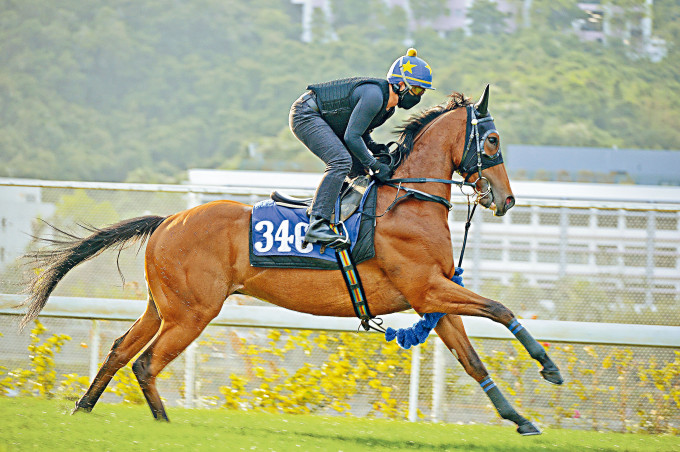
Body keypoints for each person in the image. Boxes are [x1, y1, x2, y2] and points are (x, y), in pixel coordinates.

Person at [289, 48, 434, 247]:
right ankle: (317, 224)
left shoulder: (388, 109)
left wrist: (375, 149)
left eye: (423, 91)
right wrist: (373, 164)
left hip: (331, 121)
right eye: (418, 89)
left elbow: (360, 131)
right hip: (306, 114)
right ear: (401, 85)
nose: (419, 95)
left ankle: (338, 216)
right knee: (340, 161)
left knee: (358, 170)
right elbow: (351, 136)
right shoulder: (375, 96)